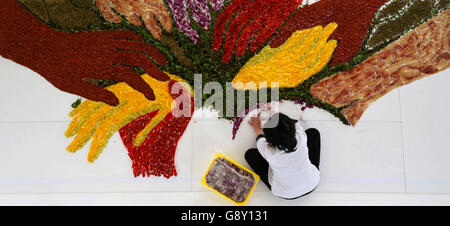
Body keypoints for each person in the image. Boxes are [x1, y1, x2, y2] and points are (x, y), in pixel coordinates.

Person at [246, 112, 321, 200]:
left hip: (285, 193)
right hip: (311, 184)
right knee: (313, 132)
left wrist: (257, 126)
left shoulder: (268, 151)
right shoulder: (301, 137)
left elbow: (259, 134)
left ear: (268, 139)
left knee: (250, 154)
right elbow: (295, 123)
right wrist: (278, 119)